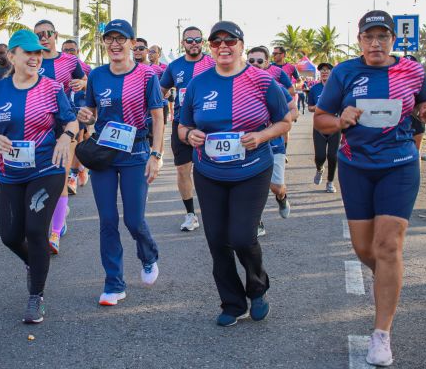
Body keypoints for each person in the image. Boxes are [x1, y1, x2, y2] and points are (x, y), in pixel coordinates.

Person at [314, 10, 426, 367]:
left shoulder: (412, 70)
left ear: (392, 41)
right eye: (369, 37)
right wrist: (340, 120)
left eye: (382, 37)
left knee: (388, 245)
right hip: (355, 167)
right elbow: (322, 120)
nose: (375, 43)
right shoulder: (344, 72)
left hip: (399, 166)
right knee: (364, 247)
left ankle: (381, 334)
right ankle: (387, 275)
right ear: (359, 41)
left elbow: (422, 108)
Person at [178, 21, 291, 326]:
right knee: (217, 240)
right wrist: (190, 136)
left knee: (242, 236)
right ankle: (232, 302)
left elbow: (284, 121)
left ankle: (257, 288)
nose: (223, 47)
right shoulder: (198, 84)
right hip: (209, 171)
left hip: (252, 169)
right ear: (210, 48)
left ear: (242, 45)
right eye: (216, 43)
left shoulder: (263, 81)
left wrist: (262, 136)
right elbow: (183, 125)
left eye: (230, 41)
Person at [0, 30, 78, 323]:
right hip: (10, 172)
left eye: (38, 53)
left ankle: (36, 297)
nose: (35, 58)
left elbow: (69, 120)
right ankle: (35, 263)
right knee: (10, 236)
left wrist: (65, 138)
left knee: (35, 231)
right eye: (28, 53)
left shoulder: (51, 88)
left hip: (46, 169)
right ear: (12, 56)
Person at [77, 19, 164, 306]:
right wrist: (86, 115)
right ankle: (114, 283)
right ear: (104, 43)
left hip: (136, 153)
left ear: (131, 42)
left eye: (120, 39)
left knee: (134, 220)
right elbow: (90, 109)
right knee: (108, 220)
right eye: (109, 38)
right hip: (104, 152)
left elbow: (158, 117)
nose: (115, 44)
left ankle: (149, 255)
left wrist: (156, 154)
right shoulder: (97, 75)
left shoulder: (146, 75)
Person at [33, 20, 87, 253]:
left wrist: (81, 82)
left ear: (55, 34)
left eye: (47, 34)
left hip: (67, 124)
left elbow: (86, 81)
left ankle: (54, 233)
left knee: (60, 177)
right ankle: (58, 214)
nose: (43, 38)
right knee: (42, 178)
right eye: (38, 35)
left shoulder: (70, 60)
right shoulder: (32, 59)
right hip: (38, 127)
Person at [159, 27, 215, 232]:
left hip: (209, 125)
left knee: (211, 170)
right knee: (183, 169)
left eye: (197, 40)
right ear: (183, 43)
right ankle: (190, 214)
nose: (193, 43)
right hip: (182, 124)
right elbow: (161, 91)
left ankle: (215, 210)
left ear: (203, 42)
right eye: (189, 40)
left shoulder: (212, 63)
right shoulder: (174, 66)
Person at [246, 47, 298, 235]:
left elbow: (294, 111)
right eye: (251, 61)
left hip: (274, 144)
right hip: (249, 146)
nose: (255, 65)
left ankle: (282, 197)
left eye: (259, 61)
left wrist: (277, 123)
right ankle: (256, 221)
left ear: (267, 63)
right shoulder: (239, 85)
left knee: (276, 186)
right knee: (249, 186)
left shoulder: (275, 87)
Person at [61, 39, 91, 189]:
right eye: (65, 50)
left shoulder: (85, 68)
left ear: (78, 52)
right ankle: (81, 169)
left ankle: (72, 176)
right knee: (78, 140)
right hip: (64, 110)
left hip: (81, 109)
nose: (68, 53)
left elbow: (92, 88)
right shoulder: (59, 64)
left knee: (78, 139)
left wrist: (83, 83)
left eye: (71, 50)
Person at [308, 62, 339, 193]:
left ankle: (330, 182)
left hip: (335, 126)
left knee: (333, 156)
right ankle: (320, 169)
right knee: (320, 156)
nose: (325, 72)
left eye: (327, 70)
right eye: (322, 70)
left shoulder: (339, 88)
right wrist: (319, 106)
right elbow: (310, 107)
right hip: (319, 126)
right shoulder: (314, 89)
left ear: (332, 72)